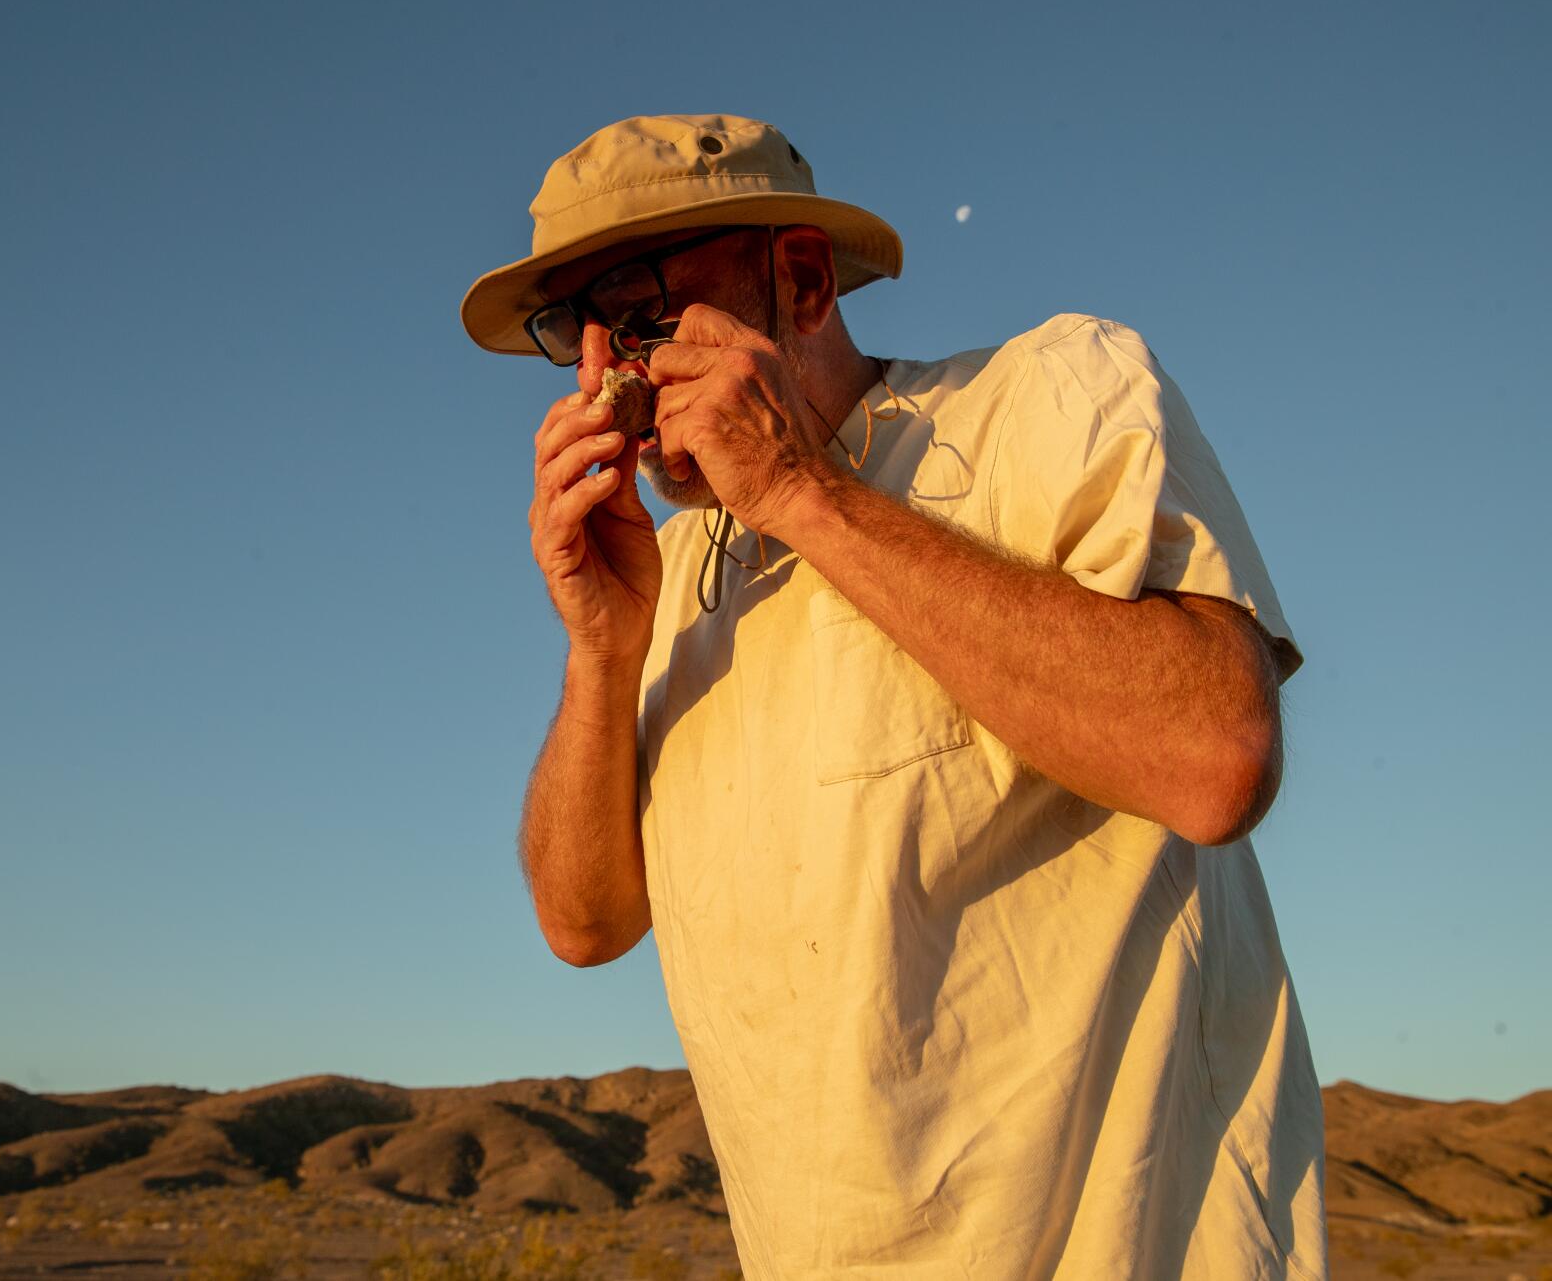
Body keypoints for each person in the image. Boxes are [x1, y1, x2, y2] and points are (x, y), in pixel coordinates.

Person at [460, 114, 1327, 1279]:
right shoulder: (672, 598)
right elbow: (583, 924)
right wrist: (601, 651)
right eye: (576, 328)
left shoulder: (1047, 397)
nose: (603, 369)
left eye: (640, 304)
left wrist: (799, 489)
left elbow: (1214, 753)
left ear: (803, 279)